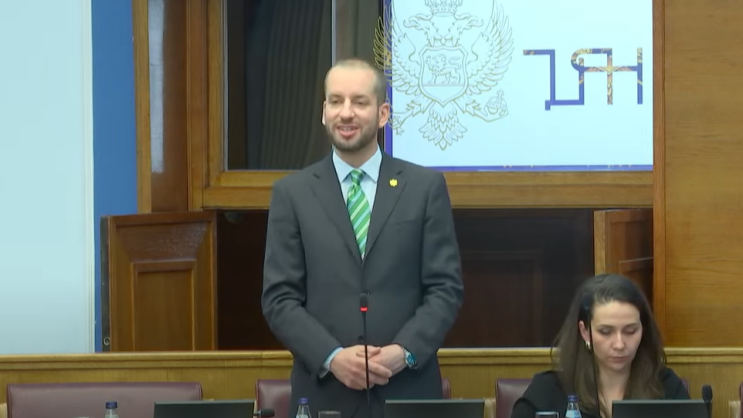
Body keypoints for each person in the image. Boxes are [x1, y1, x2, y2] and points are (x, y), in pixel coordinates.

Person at [261, 57, 464, 418]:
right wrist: (332, 357)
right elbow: (279, 298)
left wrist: (403, 353)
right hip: (325, 395)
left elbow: (445, 288)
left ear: (383, 113)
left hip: (407, 391)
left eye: (359, 102)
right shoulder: (292, 194)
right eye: (335, 101)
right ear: (324, 112)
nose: (346, 113)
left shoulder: (424, 188)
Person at [511, 274, 689, 418]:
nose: (619, 344)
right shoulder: (547, 392)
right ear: (585, 331)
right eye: (605, 332)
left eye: (630, 331)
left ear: (643, 329)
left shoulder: (666, 387)